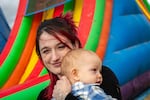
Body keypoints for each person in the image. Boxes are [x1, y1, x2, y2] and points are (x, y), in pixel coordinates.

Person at [36, 12, 122, 100]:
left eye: (61, 47)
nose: (54, 57)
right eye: (46, 51)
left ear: (75, 45)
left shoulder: (99, 76)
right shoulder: (44, 96)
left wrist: (66, 97)